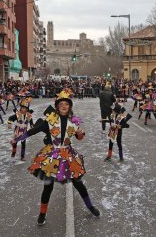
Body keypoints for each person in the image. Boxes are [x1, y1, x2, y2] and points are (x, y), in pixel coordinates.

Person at [20, 90, 100, 226]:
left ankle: (90, 206)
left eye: (66, 104)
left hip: (68, 156)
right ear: (57, 106)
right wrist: (17, 139)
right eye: (61, 104)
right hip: (52, 155)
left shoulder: (74, 121)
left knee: (78, 183)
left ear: (69, 106)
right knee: (48, 186)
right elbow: (34, 130)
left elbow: (79, 137)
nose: (64, 106)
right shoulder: (50, 120)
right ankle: (42, 214)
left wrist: (81, 133)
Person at [8, 96, 34, 161]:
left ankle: (22, 156)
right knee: (15, 143)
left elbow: (31, 122)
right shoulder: (17, 114)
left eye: (25, 108)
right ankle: (13, 154)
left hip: (24, 132)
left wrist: (32, 126)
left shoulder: (29, 115)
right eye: (22, 108)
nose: (23, 109)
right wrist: (9, 123)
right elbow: (10, 118)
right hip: (17, 131)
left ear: (27, 109)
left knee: (23, 144)